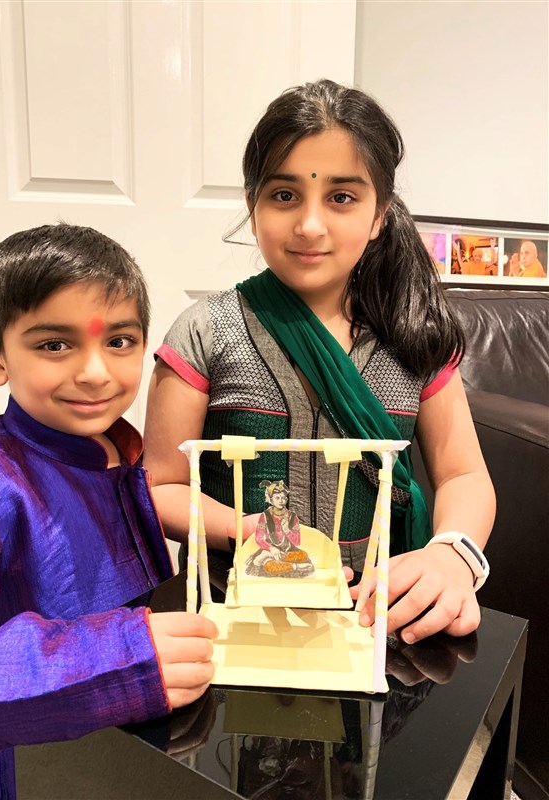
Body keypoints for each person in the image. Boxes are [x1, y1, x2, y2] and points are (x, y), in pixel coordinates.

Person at [144, 80, 495, 648]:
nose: (310, 225)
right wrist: (245, 530)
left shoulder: (417, 337)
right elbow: (161, 485)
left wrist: (453, 556)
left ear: (379, 215)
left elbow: (463, 475)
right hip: (229, 621)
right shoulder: (204, 333)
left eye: (342, 197)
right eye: (285, 195)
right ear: (252, 208)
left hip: (378, 620)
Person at [0, 224, 217, 799]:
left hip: (128, 761)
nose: (96, 372)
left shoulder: (118, 449)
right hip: (33, 778)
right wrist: (123, 657)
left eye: (119, 341)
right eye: (54, 344)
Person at [244, 480, 314, 577]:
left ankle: (278, 560)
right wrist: (271, 549)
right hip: (270, 550)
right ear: (271, 500)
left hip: (287, 552)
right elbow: (259, 538)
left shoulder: (292, 517)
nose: (281, 501)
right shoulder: (265, 516)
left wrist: (287, 530)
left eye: (283, 498)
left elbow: (297, 541)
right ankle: (295, 567)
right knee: (270, 567)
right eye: (277, 498)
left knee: (304, 555)